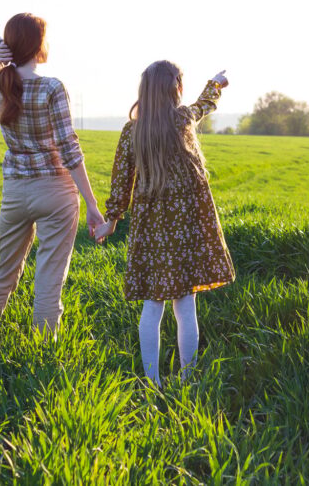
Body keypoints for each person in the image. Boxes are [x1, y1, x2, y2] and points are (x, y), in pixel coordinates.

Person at [94, 61, 236, 385]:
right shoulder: (182, 119)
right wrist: (215, 83)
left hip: (149, 228)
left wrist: (111, 221)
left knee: (152, 305)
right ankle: (188, 380)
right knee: (186, 305)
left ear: (144, 91)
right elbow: (203, 106)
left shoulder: (133, 131)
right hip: (185, 225)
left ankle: (152, 381)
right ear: (177, 89)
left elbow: (121, 182)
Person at [0, 12, 104, 337]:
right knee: (49, 282)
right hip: (55, 191)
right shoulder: (51, 88)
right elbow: (69, 149)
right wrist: (91, 203)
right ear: (38, 45)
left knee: (4, 275)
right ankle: (43, 356)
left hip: (16, 192)